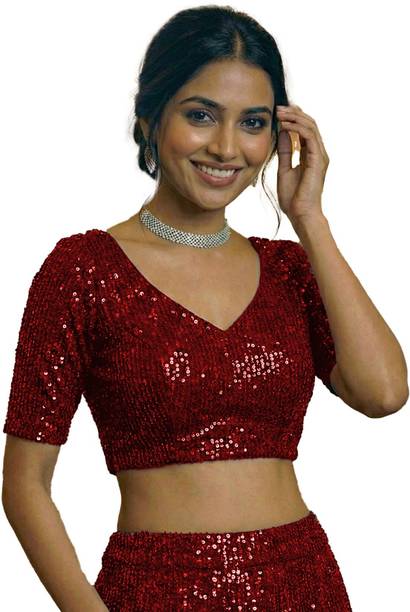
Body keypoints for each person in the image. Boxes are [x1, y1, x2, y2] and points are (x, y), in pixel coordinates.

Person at [2, 5, 408, 611]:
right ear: (150, 119)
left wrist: (309, 219)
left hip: (302, 583)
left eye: (253, 123)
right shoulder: (84, 271)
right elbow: (24, 485)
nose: (225, 147)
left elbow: (384, 394)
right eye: (200, 115)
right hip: (156, 588)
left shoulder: (289, 270)